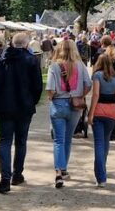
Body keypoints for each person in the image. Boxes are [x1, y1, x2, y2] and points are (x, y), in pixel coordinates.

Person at [0, 33, 43, 194]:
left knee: (5, 141)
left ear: (12, 43)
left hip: (4, 105)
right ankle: (17, 174)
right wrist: (32, 101)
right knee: (21, 141)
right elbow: (37, 86)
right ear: (26, 45)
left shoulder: (2, 59)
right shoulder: (31, 60)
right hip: (24, 106)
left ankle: (5, 179)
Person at [46, 39, 92, 188]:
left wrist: (52, 98)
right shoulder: (81, 66)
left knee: (58, 139)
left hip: (59, 103)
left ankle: (58, 172)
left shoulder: (54, 66)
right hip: (75, 105)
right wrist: (79, 96)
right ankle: (64, 168)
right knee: (67, 139)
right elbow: (88, 85)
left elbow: (51, 90)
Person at [87, 54, 115, 187]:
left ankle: (101, 177)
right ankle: (102, 170)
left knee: (99, 144)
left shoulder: (97, 76)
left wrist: (91, 113)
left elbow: (95, 95)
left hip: (99, 110)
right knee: (105, 142)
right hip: (112, 111)